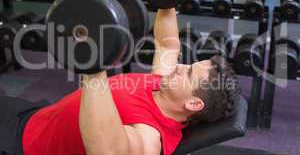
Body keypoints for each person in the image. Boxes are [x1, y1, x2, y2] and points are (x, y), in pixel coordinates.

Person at [1, 9, 240, 155]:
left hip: (21, 147)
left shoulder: (150, 138)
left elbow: (106, 152)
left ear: (194, 104)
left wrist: (94, 68)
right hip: (35, 115)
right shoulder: (163, 84)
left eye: (188, 73)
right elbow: (168, 43)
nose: (180, 66)